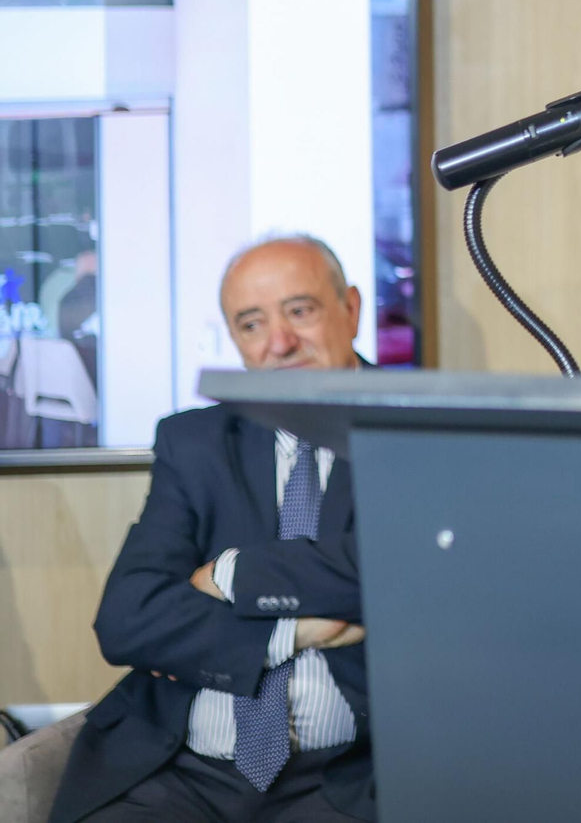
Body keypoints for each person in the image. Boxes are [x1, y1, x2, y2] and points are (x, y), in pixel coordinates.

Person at [51, 236, 374, 823]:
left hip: (348, 778)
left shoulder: (418, 426)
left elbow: (397, 572)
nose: (279, 343)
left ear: (350, 308)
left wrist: (232, 573)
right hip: (181, 771)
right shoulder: (194, 442)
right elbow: (129, 616)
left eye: (300, 311)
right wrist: (297, 629)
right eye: (252, 324)